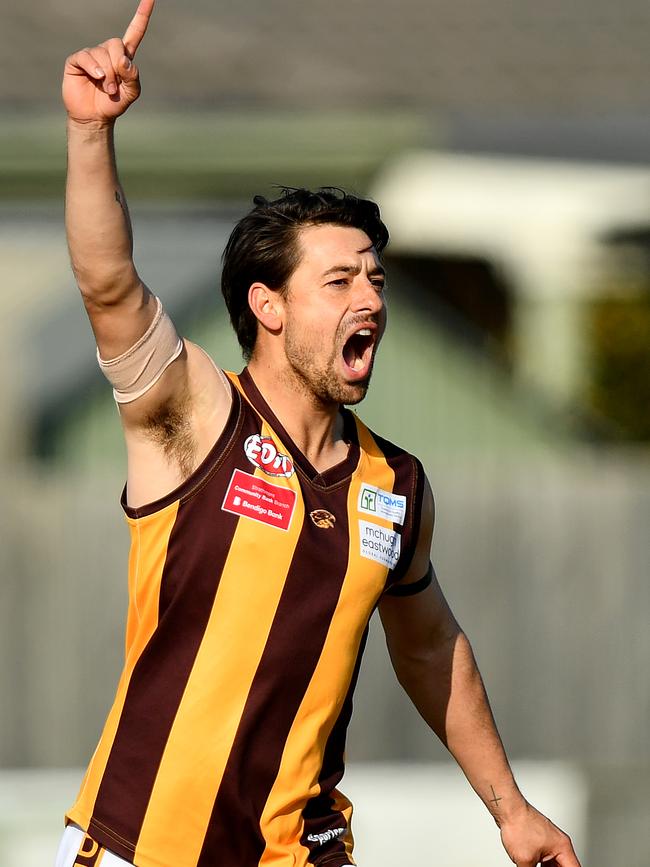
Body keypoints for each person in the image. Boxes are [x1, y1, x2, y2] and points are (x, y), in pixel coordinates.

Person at [57, 2, 582, 866]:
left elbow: (430, 646)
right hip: (142, 844)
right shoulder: (196, 416)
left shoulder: (396, 483)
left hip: (299, 852)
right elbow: (110, 287)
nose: (370, 298)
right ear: (266, 305)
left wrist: (511, 810)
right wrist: (88, 135)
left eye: (374, 278)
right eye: (338, 280)